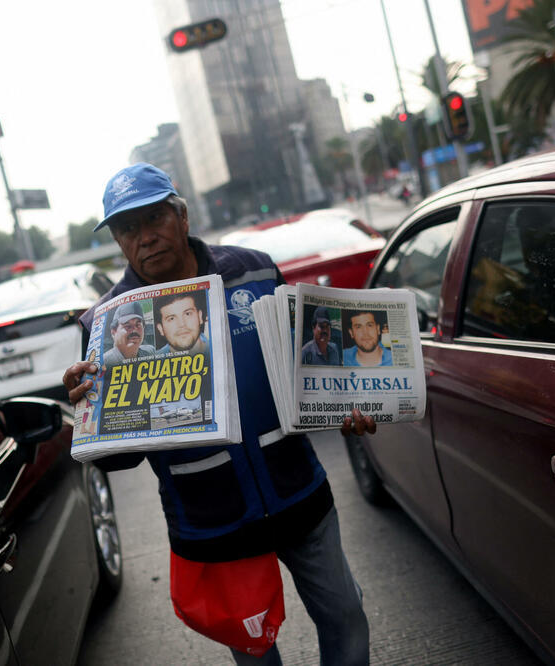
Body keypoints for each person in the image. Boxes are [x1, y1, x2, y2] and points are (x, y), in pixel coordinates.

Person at [62, 163, 375, 666]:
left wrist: (348, 405)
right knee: (254, 653)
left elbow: (307, 370)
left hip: (298, 491)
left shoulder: (254, 269)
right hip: (214, 517)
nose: (144, 237)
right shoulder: (108, 322)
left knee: (345, 618)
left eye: (154, 218)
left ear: (181, 216)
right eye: (127, 228)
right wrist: (91, 416)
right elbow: (118, 462)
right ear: (118, 241)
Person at [154, 291, 209, 356]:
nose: (182, 324)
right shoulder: (152, 359)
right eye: (171, 319)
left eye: (187, 314)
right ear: (161, 329)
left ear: (200, 317)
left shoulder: (219, 348)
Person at [102, 301, 155, 366]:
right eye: (128, 326)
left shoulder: (150, 352)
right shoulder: (104, 363)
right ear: (113, 332)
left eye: (138, 325)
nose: (134, 330)